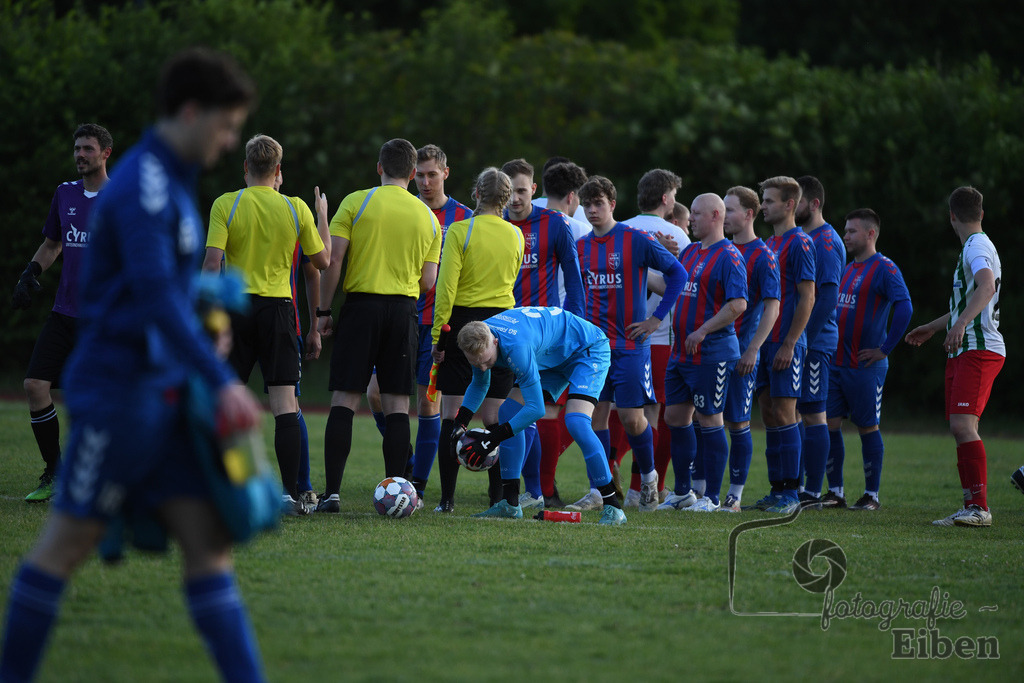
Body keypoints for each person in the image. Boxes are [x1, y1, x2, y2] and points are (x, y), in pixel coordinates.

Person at [0, 47, 265, 682]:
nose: (230, 142)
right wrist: (221, 379)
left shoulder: (170, 180)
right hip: (119, 397)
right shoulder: (146, 184)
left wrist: (210, 318)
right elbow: (149, 295)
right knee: (65, 546)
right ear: (193, 112)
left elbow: (169, 292)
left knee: (210, 545)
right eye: (227, 125)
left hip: (163, 393)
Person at [203, 134, 330, 516]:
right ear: (278, 171)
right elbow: (321, 263)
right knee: (284, 407)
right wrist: (322, 215)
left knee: (225, 404)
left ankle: (227, 486)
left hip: (236, 309)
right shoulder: (295, 208)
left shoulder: (228, 203)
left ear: (245, 167)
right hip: (279, 312)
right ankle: (290, 495)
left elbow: (211, 266)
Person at [315, 139, 441, 513]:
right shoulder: (428, 217)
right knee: (398, 405)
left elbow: (334, 259)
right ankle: (398, 492)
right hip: (403, 311)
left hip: (362, 307)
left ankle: (332, 495)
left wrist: (323, 310)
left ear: (379, 168)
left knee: (344, 399)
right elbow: (429, 282)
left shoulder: (356, 202)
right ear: (413, 171)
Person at [365, 144, 473, 505]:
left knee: (429, 405)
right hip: (399, 317)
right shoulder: (402, 209)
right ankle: (409, 461)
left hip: (438, 325)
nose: (425, 182)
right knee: (375, 394)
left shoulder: (464, 218)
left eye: (432, 175)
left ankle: (419, 485)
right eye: (420, 175)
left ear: (446, 173)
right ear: (412, 175)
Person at [13, 123, 113, 503]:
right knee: (35, 386)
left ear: (105, 153)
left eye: (87, 149)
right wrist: (30, 272)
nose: (79, 155)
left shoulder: (120, 199)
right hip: (64, 313)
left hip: (102, 320)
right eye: (76, 148)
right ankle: (54, 473)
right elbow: (53, 244)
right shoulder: (64, 194)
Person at [453, 308, 627, 525]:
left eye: (486, 361)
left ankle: (613, 506)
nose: (483, 367)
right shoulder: (479, 336)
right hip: (553, 354)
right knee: (508, 411)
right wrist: (460, 421)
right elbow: (480, 383)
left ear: (495, 342)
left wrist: (491, 439)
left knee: (576, 422)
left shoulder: (516, 348)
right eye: (476, 363)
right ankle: (510, 503)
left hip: (586, 349)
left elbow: (536, 409)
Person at [575, 175, 686, 512]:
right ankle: (600, 490)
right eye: (587, 205)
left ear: (612, 204)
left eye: (599, 204)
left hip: (629, 346)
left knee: (631, 418)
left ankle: (649, 479)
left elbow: (678, 274)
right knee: (593, 419)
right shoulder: (580, 247)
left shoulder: (634, 239)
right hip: (594, 347)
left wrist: (655, 320)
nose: (593, 210)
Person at [906, 186, 1004, 527]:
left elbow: (986, 286)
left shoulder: (976, 245)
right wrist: (934, 327)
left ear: (951, 215)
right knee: (959, 426)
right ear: (980, 213)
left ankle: (979, 508)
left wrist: (961, 324)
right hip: (967, 348)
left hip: (979, 348)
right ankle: (972, 505)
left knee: (963, 425)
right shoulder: (979, 244)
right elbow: (971, 300)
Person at [430, 167, 524, 512]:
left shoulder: (459, 230)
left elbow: (446, 288)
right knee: (494, 417)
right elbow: (510, 282)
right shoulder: (516, 235)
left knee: (453, 415)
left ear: (476, 194)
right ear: (506, 199)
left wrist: (439, 337)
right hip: (503, 326)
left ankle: (447, 500)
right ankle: (497, 497)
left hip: (462, 324)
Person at [657, 193, 747, 512]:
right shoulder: (692, 251)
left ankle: (711, 497)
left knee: (710, 420)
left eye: (696, 214)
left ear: (715, 216)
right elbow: (672, 285)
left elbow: (738, 304)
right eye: (691, 213)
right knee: (674, 417)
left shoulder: (730, 256)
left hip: (712, 354)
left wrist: (703, 329)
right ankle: (682, 492)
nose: (690, 218)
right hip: (680, 354)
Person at [825, 208, 913, 511]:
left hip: (865, 366)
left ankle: (871, 496)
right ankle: (835, 492)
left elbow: (904, 307)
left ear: (870, 233)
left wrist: (885, 349)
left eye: (851, 231)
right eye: (845, 231)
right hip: (836, 363)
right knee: (829, 424)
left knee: (867, 427)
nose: (846, 236)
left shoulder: (884, 268)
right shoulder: (847, 269)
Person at [523, 160, 590, 512]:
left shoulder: (520, 219)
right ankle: (544, 488)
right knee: (550, 411)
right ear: (573, 196)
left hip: (514, 325)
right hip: (555, 328)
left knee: (522, 409)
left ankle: (529, 485)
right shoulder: (575, 228)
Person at [622, 169, 690, 506]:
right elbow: (685, 287)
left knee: (619, 411)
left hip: (619, 335)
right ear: (666, 198)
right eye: (674, 196)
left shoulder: (621, 229)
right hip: (660, 337)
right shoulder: (674, 233)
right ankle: (650, 485)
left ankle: (610, 481)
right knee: (655, 415)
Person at [753, 176, 816, 514]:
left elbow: (808, 297)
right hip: (763, 342)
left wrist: (791, 342)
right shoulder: (767, 244)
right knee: (768, 414)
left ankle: (792, 494)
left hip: (785, 343)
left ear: (789, 204)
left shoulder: (800, 243)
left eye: (769, 200)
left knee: (785, 411)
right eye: (763, 200)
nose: (763, 205)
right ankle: (777, 490)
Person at [719, 186, 780, 512]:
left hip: (742, 353)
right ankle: (702, 491)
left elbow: (772, 307)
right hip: (713, 352)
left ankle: (736, 494)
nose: (725, 216)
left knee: (738, 422)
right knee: (706, 420)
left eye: (730, 210)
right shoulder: (721, 249)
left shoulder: (763, 255)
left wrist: (754, 349)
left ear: (749, 214)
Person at [793, 176, 846, 508]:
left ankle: (813, 491)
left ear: (813, 203)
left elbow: (826, 296)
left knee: (814, 413)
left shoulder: (825, 241)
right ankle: (795, 485)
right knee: (795, 411)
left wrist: (803, 338)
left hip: (815, 342)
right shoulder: (804, 237)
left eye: (796, 201)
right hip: (801, 340)